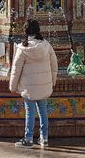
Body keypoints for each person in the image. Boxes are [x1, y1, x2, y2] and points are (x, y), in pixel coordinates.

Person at [8, 20, 58, 148]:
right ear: (38, 30)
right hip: (44, 85)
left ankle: (28, 138)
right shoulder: (46, 45)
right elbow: (54, 65)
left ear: (26, 31)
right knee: (43, 112)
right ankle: (44, 138)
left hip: (28, 87)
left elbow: (16, 69)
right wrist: (53, 81)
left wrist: (12, 87)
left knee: (30, 112)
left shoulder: (22, 48)